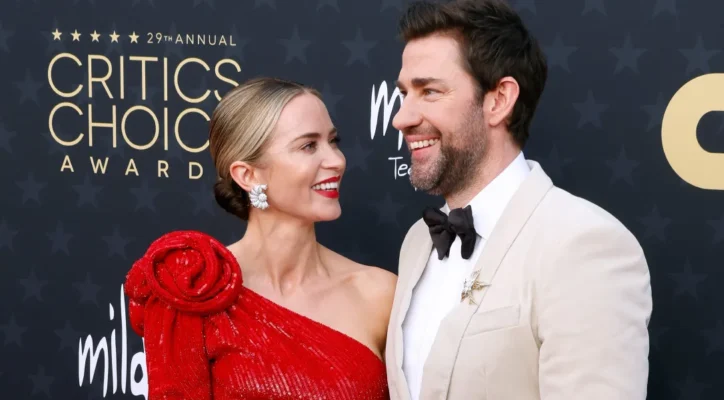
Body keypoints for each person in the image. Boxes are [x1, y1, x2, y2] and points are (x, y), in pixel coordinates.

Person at [384, 1, 653, 399]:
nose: (401, 118)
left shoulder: (584, 244)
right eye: (405, 93)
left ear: (499, 100)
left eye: (430, 92)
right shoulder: (417, 242)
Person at [123, 77, 396, 400]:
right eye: (308, 146)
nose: (336, 160)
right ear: (248, 175)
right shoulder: (196, 289)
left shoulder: (378, 294)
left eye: (333, 141)